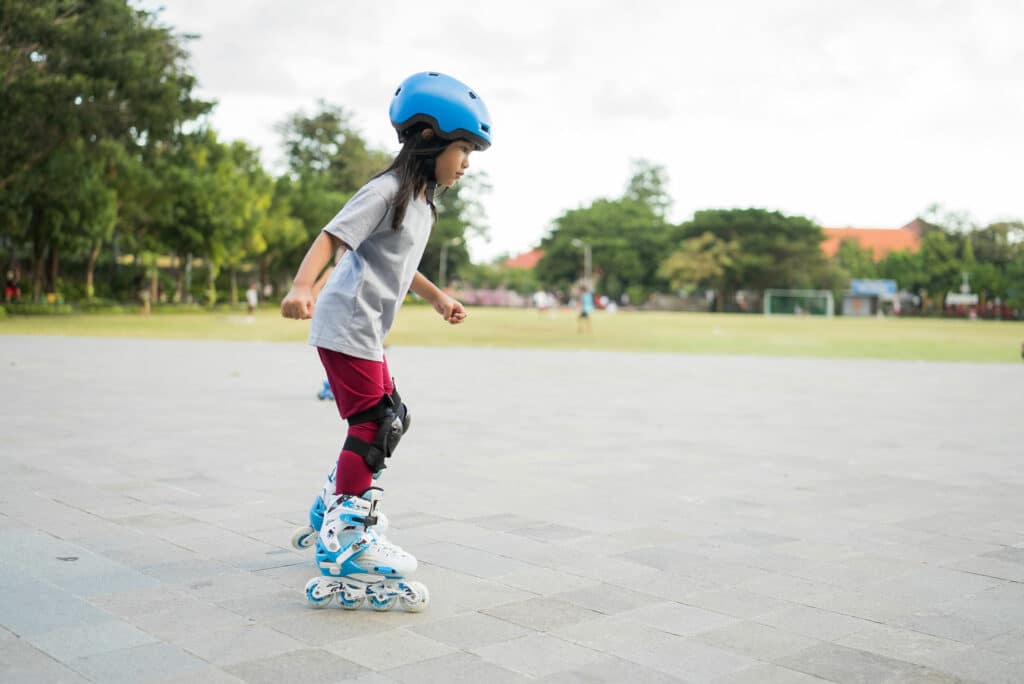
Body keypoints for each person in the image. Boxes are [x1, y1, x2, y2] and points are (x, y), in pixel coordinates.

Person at [281, 71, 491, 612]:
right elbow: (333, 236)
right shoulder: (387, 190)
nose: (466, 162)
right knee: (373, 425)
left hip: (365, 330)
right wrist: (302, 286)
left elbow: (402, 265)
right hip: (345, 324)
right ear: (428, 140)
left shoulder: (421, 203)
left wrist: (439, 297)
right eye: (463, 149)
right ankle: (347, 539)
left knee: (392, 416)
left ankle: (334, 502)